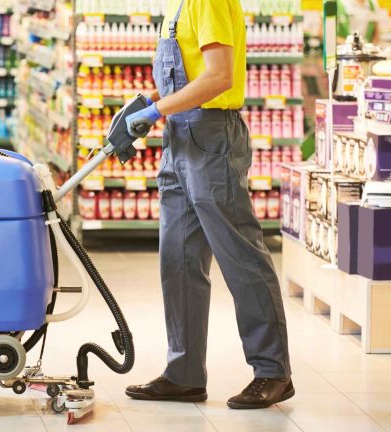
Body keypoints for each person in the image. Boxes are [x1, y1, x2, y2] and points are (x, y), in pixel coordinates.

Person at [121, 0, 294, 409]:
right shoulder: (175, 7)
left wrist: (157, 108)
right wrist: (148, 108)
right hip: (178, 138)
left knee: (241, 259)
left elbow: (219, 76)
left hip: (212, 136)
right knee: (178, 261)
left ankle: (273, 371)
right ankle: (183, 375)